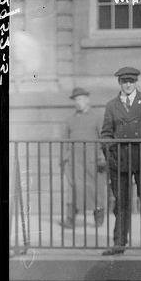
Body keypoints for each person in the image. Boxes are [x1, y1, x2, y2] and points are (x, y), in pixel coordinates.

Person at [101, 67, 141, 256]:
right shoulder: (111, 105)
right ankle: (119, 243)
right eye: (124, 81)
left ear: (136, 82)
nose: (128, 85)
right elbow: (106, 134)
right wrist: (111, 155)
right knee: (121, 204)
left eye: (131, 81)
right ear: (119, 83)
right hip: (120, 162)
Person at [60, 87, 107, 228]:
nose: (78, 103)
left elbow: (104, 139)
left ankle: (98, 218)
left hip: (93, 162)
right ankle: (70, 219)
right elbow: (64, 141)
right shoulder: (70, 120)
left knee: (96, 190)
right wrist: (63, 160)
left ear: (87, 100)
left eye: (80, 99)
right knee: (73, 190)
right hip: (75, 162)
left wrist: (102, 157)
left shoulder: (97, 117)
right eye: (75, 100)